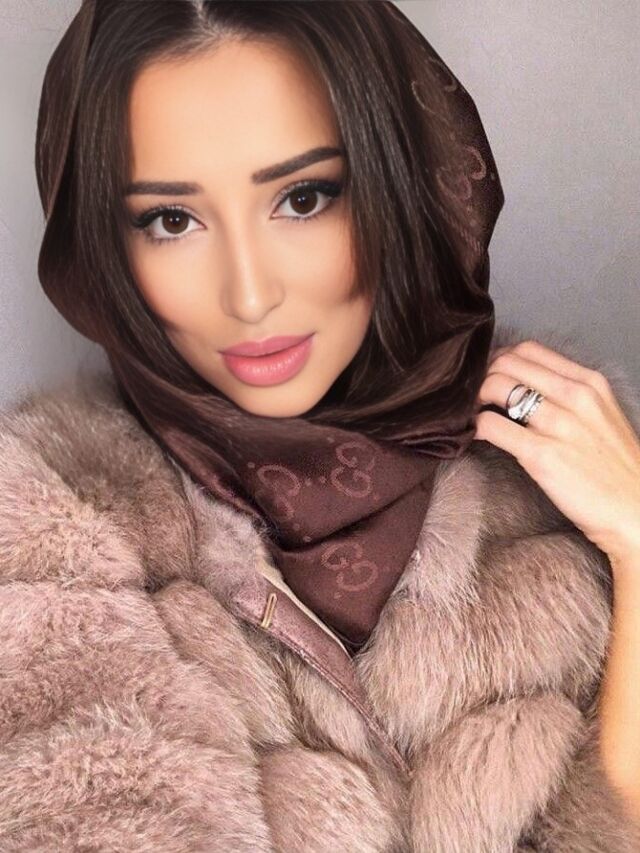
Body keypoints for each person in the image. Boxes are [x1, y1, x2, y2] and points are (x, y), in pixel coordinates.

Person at [1, 1, 640, 850]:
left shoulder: (559, 461)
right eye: (172, 220)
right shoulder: (52, 521)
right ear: (105, 250)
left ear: (398, 186)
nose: (250, 294)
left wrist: (636, 539)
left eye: (303, 199)